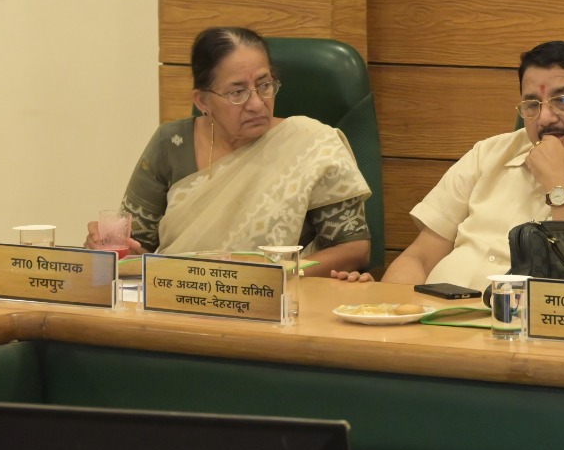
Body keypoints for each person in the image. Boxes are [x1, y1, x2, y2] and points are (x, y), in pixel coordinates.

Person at [379, 41, 564, 288]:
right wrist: (390, 313)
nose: (545, 119)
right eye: (532, 105)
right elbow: (419, 258)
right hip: (435, 322)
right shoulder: (489, 154)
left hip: (525, 335)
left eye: (563, 100)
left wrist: (560, 187)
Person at [92, 27, 372, 277]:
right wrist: (105, 247)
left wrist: (278, 275)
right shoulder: (171, 144)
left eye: (264, 85)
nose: (257, 104)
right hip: (178, 299)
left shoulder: (311, 143)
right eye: (237, 93)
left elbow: (353, 248)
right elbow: (136, 249)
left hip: (278, 300)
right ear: (203, 101)